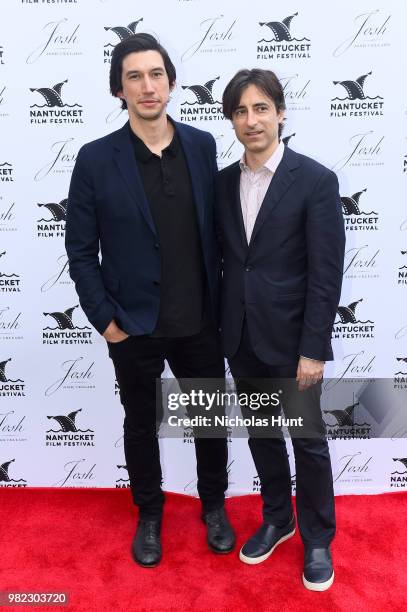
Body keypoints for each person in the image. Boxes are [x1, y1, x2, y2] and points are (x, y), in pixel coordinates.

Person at [65, 33, 235, 568]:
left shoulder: (204, 145)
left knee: (208, 420)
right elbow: (79, 248)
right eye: (134, 76)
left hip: (200, 319)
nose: (147, 86)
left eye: (155, 73)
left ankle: (213, 508)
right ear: (119, 89)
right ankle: (149, 514)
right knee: (140, 423)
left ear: (172, 82)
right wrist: (105, 320)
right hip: (132, 324)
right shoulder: (95, 160)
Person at [216, 68, 345, 590]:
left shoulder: (315, 180)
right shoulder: (222, 183)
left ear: (281, 113)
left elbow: (326, 271)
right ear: (232, 120)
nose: (252, 120)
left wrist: (313, 347)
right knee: (263, 435)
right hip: (240, 336)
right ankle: (278, 517)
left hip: (294, 344)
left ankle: (317, 538)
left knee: (307, 442)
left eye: (261, 108)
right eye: (241, 111)